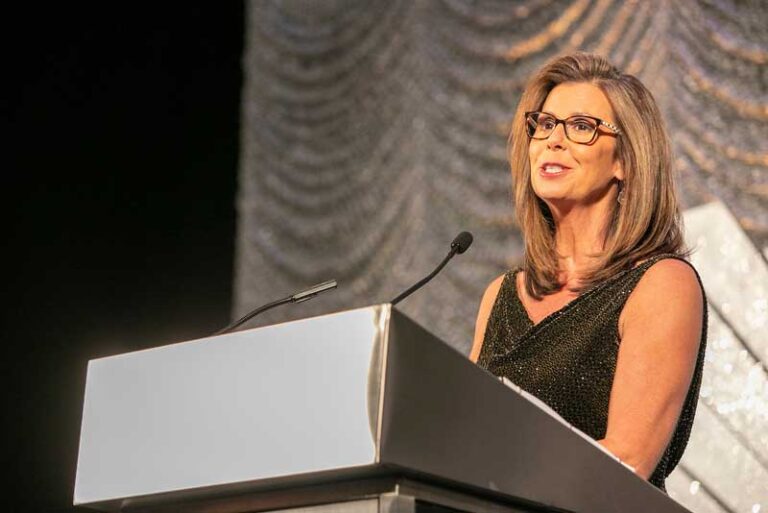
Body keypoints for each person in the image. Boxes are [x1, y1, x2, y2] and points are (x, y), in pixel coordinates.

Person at [469, 52, 706, 491]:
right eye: (544, 124)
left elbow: (627, 461)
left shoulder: (661, 284)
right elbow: (460, 442)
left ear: (626, 161)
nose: (553, 140)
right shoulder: (500, 296)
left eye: (581, 127)